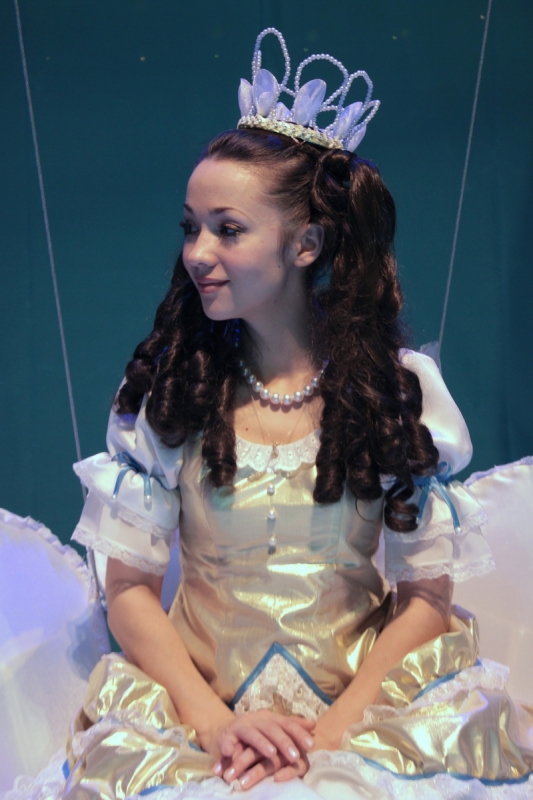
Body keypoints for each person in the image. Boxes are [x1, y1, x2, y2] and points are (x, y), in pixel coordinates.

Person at [61, 29, 532, 800]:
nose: (198, 252)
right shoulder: (172, 392)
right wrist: (214, 724)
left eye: (228, 228)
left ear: (306, 242)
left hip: (360, 714)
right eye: (190, 226)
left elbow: (424, 598)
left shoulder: (392, 391)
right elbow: (130, 590)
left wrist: (333, 733)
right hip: (202, 718)